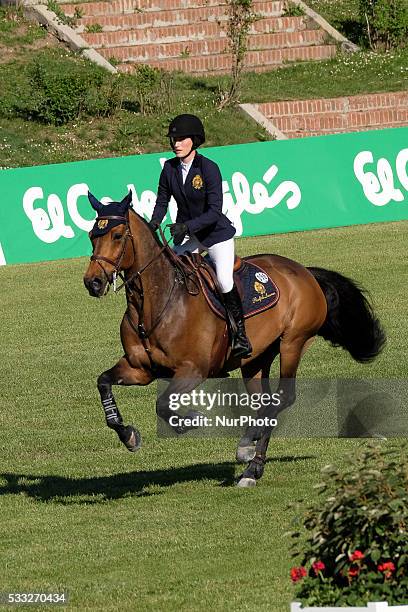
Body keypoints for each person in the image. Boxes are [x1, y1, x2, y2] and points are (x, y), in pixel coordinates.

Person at [149, 113, 252, 359]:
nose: (175, 143)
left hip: (216, 235)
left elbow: (215, 212)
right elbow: (162, 200)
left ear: (194, 140)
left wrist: (186, 227)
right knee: (171, 270)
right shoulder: (169, 168)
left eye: (181, 138)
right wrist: (153, 223)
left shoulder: (209, 168)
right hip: (189, 236)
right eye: (173, 138)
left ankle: (240, 336)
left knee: (224, 280)